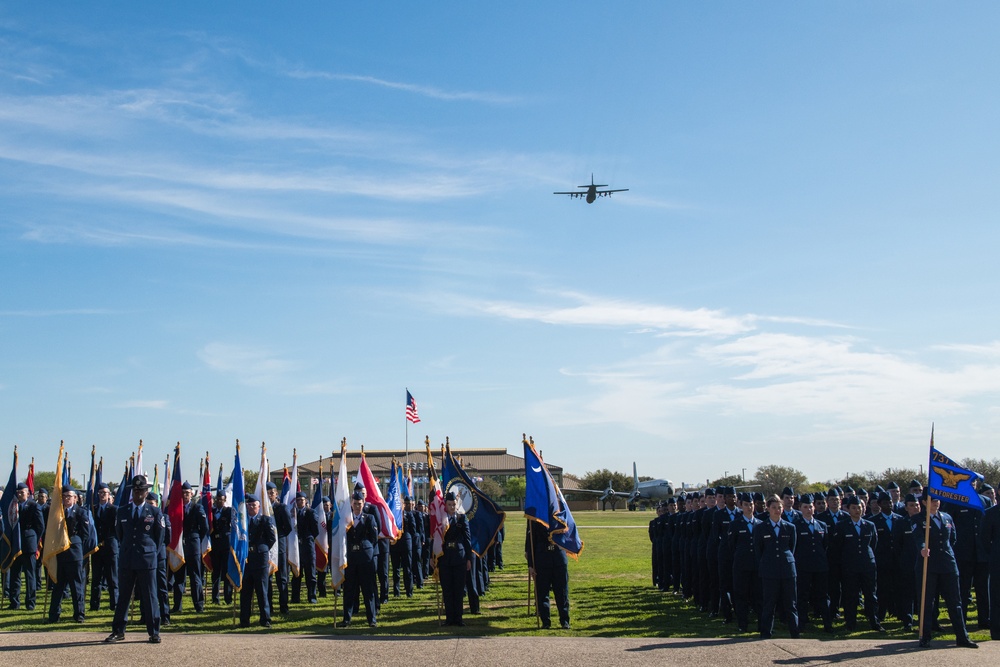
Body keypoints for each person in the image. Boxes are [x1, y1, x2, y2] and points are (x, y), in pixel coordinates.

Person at [914, 492, 978, 648]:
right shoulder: (918, 519)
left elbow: (953, 538)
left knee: (955, 602)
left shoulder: (947, 517)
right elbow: (917, 537)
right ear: (924, 502)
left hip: (948, 564)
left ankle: (962, 636)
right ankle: (925, 636)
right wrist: (923, 548)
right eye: (932, 500)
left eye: (937, 500)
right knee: (927, 602)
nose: (936, 503)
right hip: (929, 565)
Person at [106, 475, 163, 644]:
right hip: (127, 559)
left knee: (150, 596)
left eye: (141, 490)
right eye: (136, 490)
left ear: (147, 492)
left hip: (146, 560)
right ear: (132, 492)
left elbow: (159, 537)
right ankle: (118, 631)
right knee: (123, 596)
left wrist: (150, 553)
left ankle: (154, 632)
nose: (138, 493)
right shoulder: (122, 510)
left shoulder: (154, 512)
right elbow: (120, 533)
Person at [831, 495, 882, 632]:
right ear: (848, 509)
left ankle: (874, 622)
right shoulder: (842, 526)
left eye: (859, 507)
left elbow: (873, 544)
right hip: (850, 566)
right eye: (854, 508)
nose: (857, 510)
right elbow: (837, 547)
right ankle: (850, 623)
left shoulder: (869, 525)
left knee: (871, 595)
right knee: (851, 595)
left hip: (867, 565)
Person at [753, 494, 798, 639]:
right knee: (769, 604)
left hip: (787, 570)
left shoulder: (790, 527)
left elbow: (792, 547)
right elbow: (758, 549)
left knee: (790, 603)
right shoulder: (761, 528)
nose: (777, 510)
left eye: (779, 507)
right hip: (769, 570)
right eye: (774, 508)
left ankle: (795, 633)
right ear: (768, 509)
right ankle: (766, 633)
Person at [48, 487, 94, 623]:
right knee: (58, 586)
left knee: (76, 586)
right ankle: (54, 615)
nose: (66, 499)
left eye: (69, 496)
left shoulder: (81, 512)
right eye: (64, 496)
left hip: (74, 553)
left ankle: (79, 614)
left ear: (75, 498)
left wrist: (73, 540)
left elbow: (85, 533)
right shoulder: (58, 513)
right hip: (60, 553)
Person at [792, 493, 832, 633]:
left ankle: (827, 623)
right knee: (802, 595)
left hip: (820, 566)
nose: (809, 509)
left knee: (822, 595)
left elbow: (825, 545)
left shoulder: (822, 525)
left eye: (810, 506)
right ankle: (802, 622)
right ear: (800, 508)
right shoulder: (795, 526)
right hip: (803, 566)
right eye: (805, 507)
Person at [338, 491, 378, 628]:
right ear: (351, 504)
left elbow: (374, 538)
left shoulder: (369, 518)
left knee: (368, 590)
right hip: (351, 559)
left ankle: (371, 619)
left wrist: (366, 549)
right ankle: (347, 619)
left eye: (359, 504)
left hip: (365, 559)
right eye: (355, 504)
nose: (357, 506)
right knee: (349, 590)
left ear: (363, 503)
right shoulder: (346, 519)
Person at [526, 513, 570, 629]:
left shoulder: (561, 514)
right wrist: (531, 564)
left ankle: (564, 620)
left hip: (558, 558)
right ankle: (546, 621)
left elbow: (568, 533)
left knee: (562, 592)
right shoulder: (535, 516)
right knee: (542, 592)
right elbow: (530, 541)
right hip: (542, 559)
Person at [240, 493, 276, 628]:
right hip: (246, 560)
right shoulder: (242, 521)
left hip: (260, 559)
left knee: (262, 591)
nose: (250, 507)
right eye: (248, 505)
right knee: (245, 592)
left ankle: (265, 619)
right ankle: (244, 620)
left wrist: (262, 548)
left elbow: (272, 538)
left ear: (259, 506)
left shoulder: (265, 520)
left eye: (253, 505)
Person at [173, 481, 209, 613]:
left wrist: (194, 538)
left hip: (192, 546)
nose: (185, 495)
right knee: (179, 578)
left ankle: (198, 605)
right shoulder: (177, 508)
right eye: (183, 493)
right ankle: (177, 606)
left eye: (187, 493)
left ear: (192, 494)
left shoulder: (197, 508)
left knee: (195, 577)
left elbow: (204, 528)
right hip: (179, 547)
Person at [9, 482, 44, 610]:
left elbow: (40, 526)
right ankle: (14, 602)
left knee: (30, 574)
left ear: (28, 494)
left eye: (22, 492)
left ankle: (30, 603)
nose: (19, 494)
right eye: (18, 492)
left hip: (29, 544)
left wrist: (34, 540)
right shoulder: (13, 506)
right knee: (15, 574)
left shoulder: (33, 506)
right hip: (16, 544)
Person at [440, 491, 472, 627]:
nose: (452, 507)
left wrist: (469, 559)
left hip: (459, 557)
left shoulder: (461, 518)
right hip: (445, 557)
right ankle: (449, 618)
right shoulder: (440, 519)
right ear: (445, 505)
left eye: (454, 504)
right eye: (449, 504)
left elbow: (467, 539)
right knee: (447, 589)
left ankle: (458, 618)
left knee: (458, 589)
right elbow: (434, 539)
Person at [89, 482, 119, 612]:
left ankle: (115, 604)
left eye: (105, 493)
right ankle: (94, 605)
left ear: (109, 495)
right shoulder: (92, 509)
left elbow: (117, 529)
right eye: (100, 493)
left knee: (112, 578)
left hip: (110, 547)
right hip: (97, 548)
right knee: (96, 578)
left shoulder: (114, 509)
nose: (102, 495)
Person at [145, 492, 172, 626]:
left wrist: (159, 548)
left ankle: (165, 616)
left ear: (157, 504)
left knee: (161, 587)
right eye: (148, 503)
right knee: (145, 587)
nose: (150, 506)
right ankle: (145, 615)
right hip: (144, 557)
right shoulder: (142, 516)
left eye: (152, 504)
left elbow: (167, 537)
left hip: (158, 555)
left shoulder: (163, 517)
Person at [266, 481, 293, 615]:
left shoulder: (281, 507)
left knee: (282, 578)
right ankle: (268, 607)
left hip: (280, 546)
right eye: (268, 493)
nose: (270, 495)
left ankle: (283, 607)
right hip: (267, 548)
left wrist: (279, 536)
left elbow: (288, 527)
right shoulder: (263, 509)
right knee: (268, 578)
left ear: (276, 494)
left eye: (272, 493)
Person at [292, 491, 319, 604]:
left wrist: (308, 538)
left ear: (306, 501)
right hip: (296, 546)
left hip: (307, 546)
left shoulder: (310, 512)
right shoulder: (292, 513)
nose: (299, 502)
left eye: (302, 500)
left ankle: (312, 596)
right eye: (297, 500)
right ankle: (295, 598)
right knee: (296, 573)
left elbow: (315, 530)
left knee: (310, 574)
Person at [209, 489, 233, 605]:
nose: (219, 502)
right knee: (216, 573)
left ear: (225, 500)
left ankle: (228, 597)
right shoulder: (211, 511)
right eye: (217, 499)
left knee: (227, 572)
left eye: (221, 500)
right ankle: (215, 597)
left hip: (225, 545)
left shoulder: (228, 511)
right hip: (215, 544)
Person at [982, 487, 1000, 640]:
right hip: (997, 560)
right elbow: (985, 540)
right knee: (996, 596)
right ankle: (997, 631)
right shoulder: (991, 513)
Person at [391, 497, 415, 598]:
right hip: (395, 544)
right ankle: (396, 592)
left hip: (406, 543)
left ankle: (409, 591)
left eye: (401, 504)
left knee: (407, 568)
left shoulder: (408, 515)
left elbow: (413, 529)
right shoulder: (392, 515)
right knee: (395, 569)